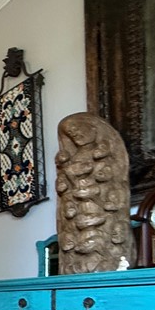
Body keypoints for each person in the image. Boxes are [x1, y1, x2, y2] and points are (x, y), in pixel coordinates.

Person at [54, 113, 134, 274]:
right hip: (78, 214)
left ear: (93, 128)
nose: (75, 134)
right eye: (70, 133)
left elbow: (113, 187)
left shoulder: (104, 157)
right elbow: (65, 190)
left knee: (107, 245)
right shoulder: (69, 160)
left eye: (77, 129)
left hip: (101, 214)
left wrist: (95, 190)